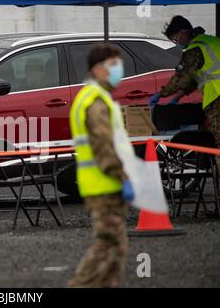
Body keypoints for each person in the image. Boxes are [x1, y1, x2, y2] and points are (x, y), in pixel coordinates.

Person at [68, 44, 135, 288]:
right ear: (98, 69)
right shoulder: (95, 101)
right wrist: (124, 177)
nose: (119, 71)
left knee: (115, 250)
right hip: (104, 183)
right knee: (108, 244)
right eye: (113, 65)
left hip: (103, 183)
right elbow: (105, 147)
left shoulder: (97, 97)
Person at [149, 15, 220, 203]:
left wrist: (162, 94)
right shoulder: (212, 42)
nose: (175, 43)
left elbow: (182, 78)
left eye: (174, 38)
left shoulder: (195, 49)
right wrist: (177, 98)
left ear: (182, 33)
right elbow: (197, 79)